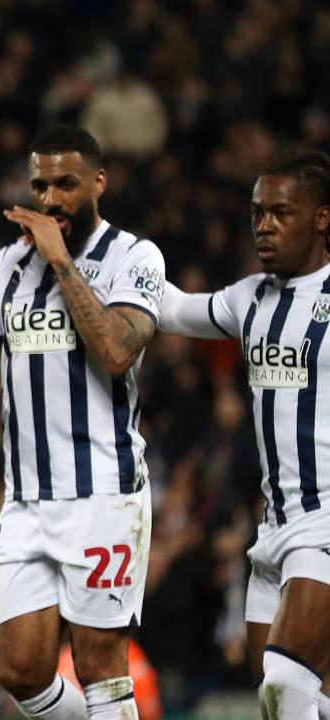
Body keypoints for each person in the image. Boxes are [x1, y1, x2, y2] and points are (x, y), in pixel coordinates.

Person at [0, 124, 166, 720]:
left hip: (103, 495)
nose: (50, 198)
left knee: (100, 669)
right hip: (27, 502)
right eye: (39, 184)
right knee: (21, 672)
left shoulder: (134, 257)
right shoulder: (5, 267)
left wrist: (61, 262)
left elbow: (115, 352)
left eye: (65, 184)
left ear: (98, 183)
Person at [159, 150, 330, 720]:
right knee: (287, 703)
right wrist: (105, 254)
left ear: (322, 218)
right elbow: (174, 309)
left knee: (284, 686)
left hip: (325, 524)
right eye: (258, 213)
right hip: (273, 531)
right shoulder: (249, 298)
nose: (264, 225)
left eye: (281, 213)